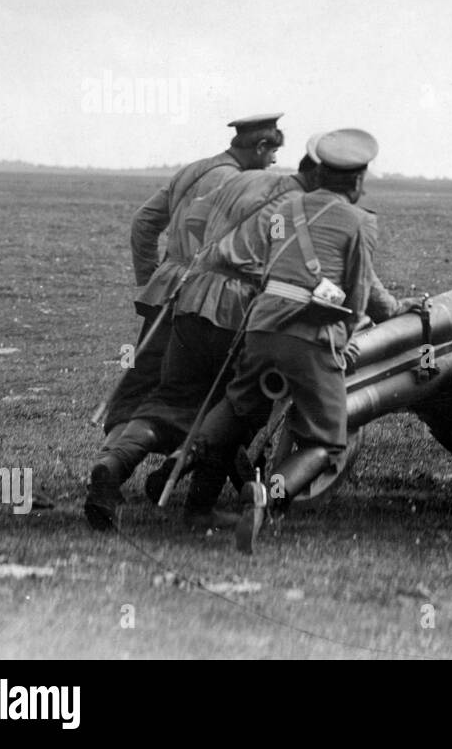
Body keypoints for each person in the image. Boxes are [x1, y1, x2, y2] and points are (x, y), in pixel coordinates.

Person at [85, 137, 316, 530]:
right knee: (239, 407)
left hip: (188, 300)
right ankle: (198, 505)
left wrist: (155, 281)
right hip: (237, 311)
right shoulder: (299, 206)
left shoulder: (232, 182)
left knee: (168, 399)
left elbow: (165, 224)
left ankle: (112, 464)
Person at [181, 128, 385, 551]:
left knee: (237, 409)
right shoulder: (359, 222)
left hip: (260, 327)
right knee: (327, 441)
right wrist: (342, 338)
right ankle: (268, 495)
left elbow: (273, 268)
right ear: (358, 180)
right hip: (309, 335)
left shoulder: (286, 210)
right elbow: (359, 291)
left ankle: (196, 501)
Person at [100, 115, 284, 439]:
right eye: (271, 152)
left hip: (164, 290)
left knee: (141, 381)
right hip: (206, 297)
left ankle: (110, 464)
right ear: (259, 147)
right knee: (208, 390)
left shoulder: (192, 169)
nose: (274, 161)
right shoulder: (241, 183)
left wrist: (150, 282)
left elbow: (143, 223)